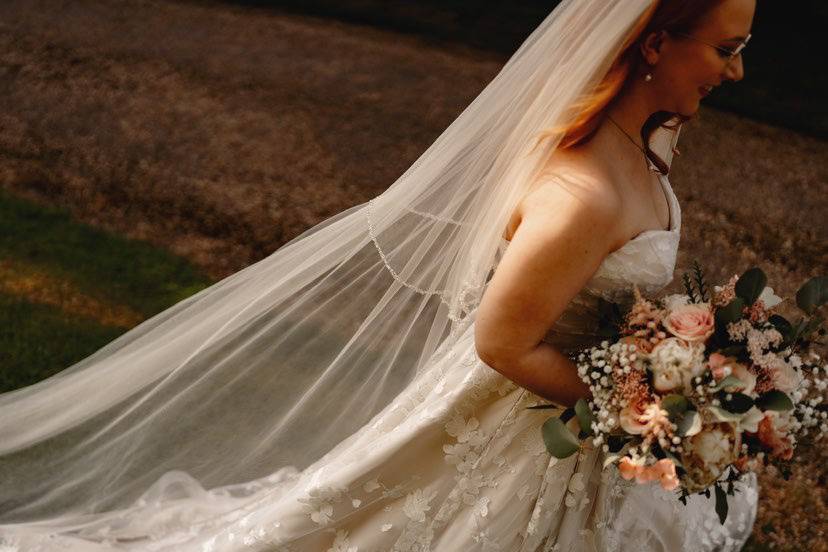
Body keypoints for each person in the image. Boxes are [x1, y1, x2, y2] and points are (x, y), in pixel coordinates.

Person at [0, 0, 759, 550]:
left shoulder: (645, 144)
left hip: (573, 410)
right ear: (657, 44)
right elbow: (502, 345)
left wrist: (685, 358)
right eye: (726, 48)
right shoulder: (583, 196)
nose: (738, 69)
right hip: (528, 424)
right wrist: (654, 403)